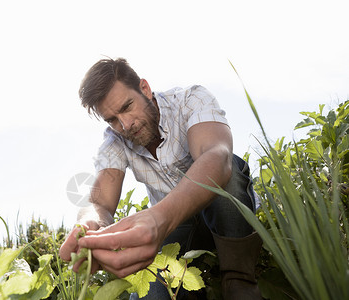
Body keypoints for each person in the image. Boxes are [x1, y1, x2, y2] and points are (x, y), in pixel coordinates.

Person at [59, 57, 262, 299]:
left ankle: (239, 281)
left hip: (222, 213)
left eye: (127, 107)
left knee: (227, 175)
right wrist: (88, 224)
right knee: (151, 294)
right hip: (178, 228)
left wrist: (160, 217)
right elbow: (99, 204)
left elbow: (216, 156)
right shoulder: (114, 142)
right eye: (112, 119)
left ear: (144, 88)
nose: (125, 125)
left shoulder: (190, 100)